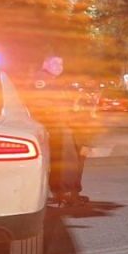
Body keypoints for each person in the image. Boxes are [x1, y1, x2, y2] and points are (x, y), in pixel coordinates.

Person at [28, 55, 87, 206]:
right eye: (55, 63)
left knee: (73, 157)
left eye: (61, 63)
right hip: (54, 126)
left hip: (63, 124)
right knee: (66, 160)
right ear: (45, 63)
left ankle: (70, 191)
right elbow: (41, 104)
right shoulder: (41, 79)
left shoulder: (53, 80)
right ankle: (64, 193)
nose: (59, 66)